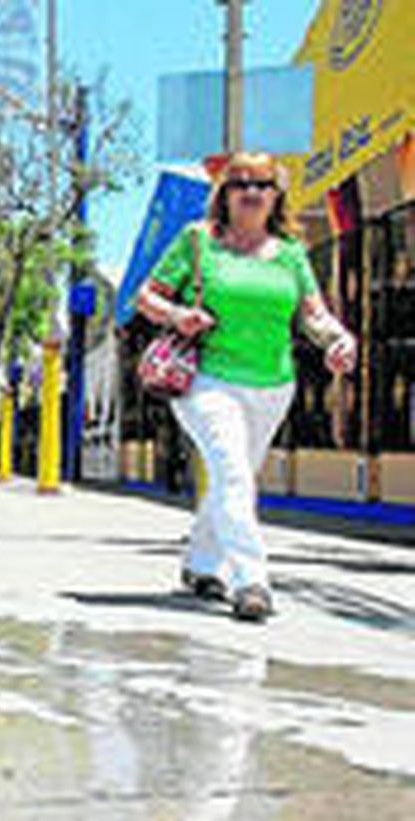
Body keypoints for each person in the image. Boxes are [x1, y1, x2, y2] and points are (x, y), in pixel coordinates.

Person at [135, 151, 356, 621]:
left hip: (274, 385)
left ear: (276, 195)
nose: (252, 193)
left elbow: (313, 314)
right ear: (225, 193)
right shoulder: (199, 241)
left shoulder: (291, 254)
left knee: (231, 480)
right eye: (240, 184)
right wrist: (178, 316)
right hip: (208, 381)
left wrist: (337, 339)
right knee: (234, 474)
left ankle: (199, 565)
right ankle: (251, 580)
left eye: (263, 184)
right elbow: (147, 296)